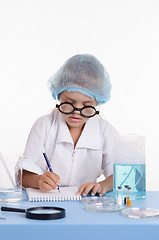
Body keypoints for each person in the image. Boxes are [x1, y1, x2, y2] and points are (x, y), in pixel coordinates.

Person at [22, 54, 119, 196]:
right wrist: (38, 181)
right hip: (49, 204)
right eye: (69, 103)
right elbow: (23, 176)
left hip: (84, 205)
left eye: (87, 106)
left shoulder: (104, 130)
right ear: (58, 95)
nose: (76, 112)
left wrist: (101, 185)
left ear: (98, 103)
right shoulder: (44, 125)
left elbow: (123, 175)